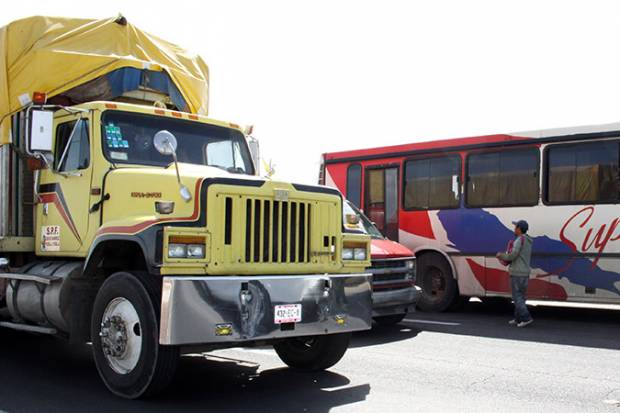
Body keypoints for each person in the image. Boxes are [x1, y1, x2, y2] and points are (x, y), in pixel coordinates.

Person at [496, 220, 533, 328]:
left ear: (519, 229)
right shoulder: (528, 240)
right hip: (525, 273)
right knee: (520, 296)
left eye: (515, 227)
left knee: (517, 297)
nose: (514, 229)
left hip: (517, 272)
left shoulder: (519, 240)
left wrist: (501, 255)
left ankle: (526, 318)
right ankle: (518, 318)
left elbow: (512, 255)